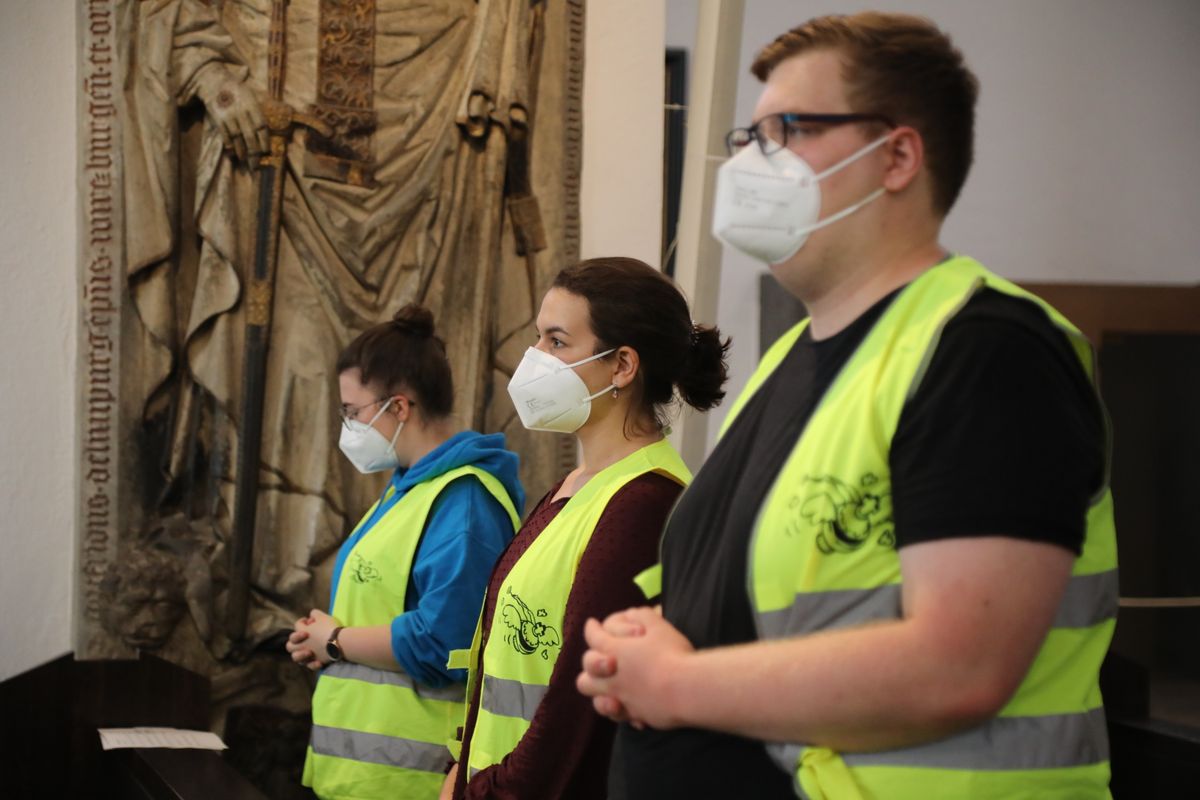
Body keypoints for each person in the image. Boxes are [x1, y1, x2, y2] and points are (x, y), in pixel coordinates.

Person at [578, 12, 1117, 800]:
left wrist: (680, 683)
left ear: (897, 155)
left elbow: (959, 666)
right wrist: (654, 634)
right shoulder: (792, 359)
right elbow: (765, 603)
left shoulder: (984, 347)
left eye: (787, 130)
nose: (752, 164)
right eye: (748, 138)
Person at [442, 258, 730, 800]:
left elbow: (575, 708)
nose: (534, 360)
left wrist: (481, 794)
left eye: (557, 342)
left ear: (621, 365)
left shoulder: (644, 503)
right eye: (537, 338)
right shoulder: (579, 484)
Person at [286, 304, 524, 799]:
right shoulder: (407, 490)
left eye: (352, 413)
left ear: (399, 407)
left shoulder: (464, 501)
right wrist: (323, 639)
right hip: (365, 776)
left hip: (411, 779)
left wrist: (337, 641)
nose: (346, 427)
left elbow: (445, 644)